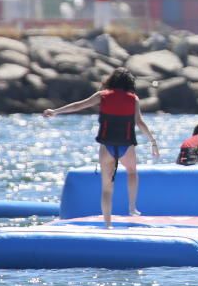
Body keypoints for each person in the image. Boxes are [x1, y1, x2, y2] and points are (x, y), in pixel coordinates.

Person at [43, 67, 159, 228]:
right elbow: (139, 122)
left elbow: (78, 106)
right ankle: (132, 207)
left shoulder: (102, 96)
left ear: (111, 81)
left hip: (107, 146)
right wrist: (153, 141)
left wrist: (56, 111)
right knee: (132, 172)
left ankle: (108, 224)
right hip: (126, 145)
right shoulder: (134, 99)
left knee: (106, 188)